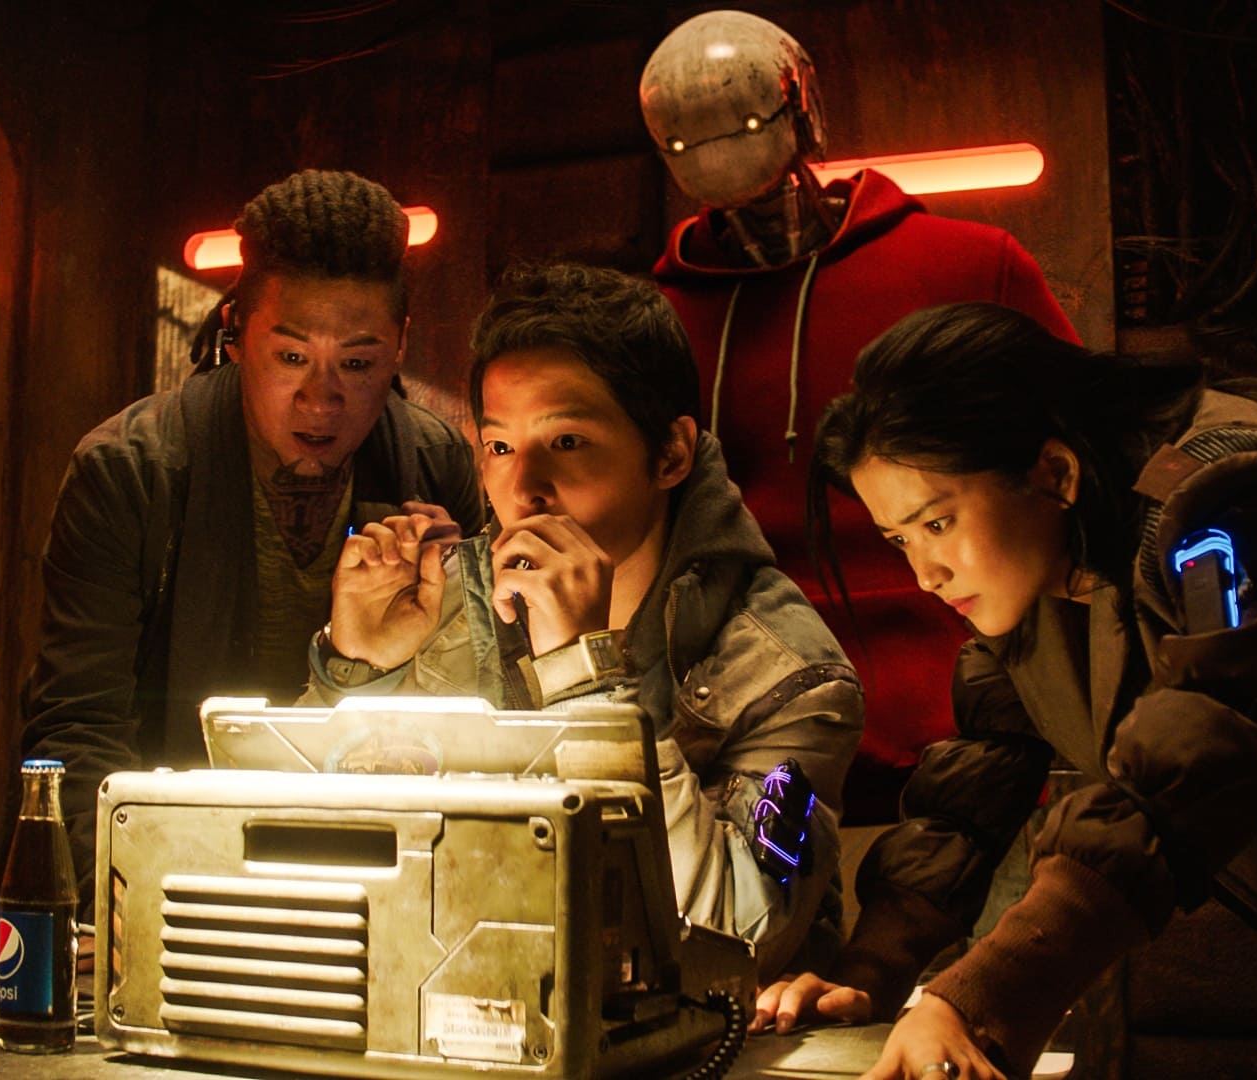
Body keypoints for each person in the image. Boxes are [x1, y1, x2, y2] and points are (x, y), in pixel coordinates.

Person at [761, 302, 1257, 1079]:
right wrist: (867, 975)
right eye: (899, 539)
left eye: (937, 525)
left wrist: (984, 992)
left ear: (1055, 472)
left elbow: (1208, 734)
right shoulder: (1034, 595)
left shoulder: (1225, 501)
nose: (923, 574)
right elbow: (966, 803)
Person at [302, 262, 864, 980]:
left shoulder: (788, 673)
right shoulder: (442, 602)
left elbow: (734, 940)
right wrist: (358, 675)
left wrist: (587, 684)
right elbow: (309, 878)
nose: (524, 488)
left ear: (671, 454)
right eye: (500, 447)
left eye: (566, 442)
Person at [0, 169, 485, 926]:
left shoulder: (432, 465)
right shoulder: (132, 471)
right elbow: (79, 729)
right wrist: (116, 907)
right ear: (235, 332)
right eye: (291, 357)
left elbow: (474, 724)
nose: (321, 398)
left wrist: (458, 616)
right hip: (166, 871)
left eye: (357, 364)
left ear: (399, 347)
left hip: (370, 878)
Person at [641, 10, 1080, 823]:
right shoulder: (657, 327)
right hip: (761, 738)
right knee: (785, 897)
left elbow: (1088, 469)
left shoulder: (967, 267)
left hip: (985, 725)